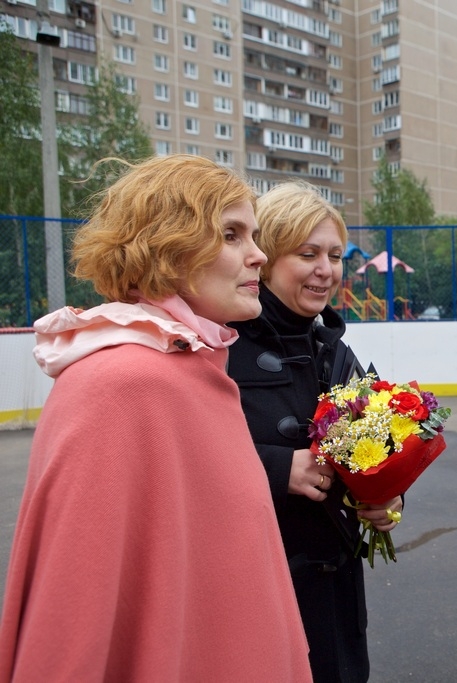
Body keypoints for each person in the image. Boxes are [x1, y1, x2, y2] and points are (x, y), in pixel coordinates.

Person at [0, 155, 312, 681]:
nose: (258, 255)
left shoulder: (192, 366)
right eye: (231, 234)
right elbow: (74, 616)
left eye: (253, 235)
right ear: (169, 246)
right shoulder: (121, 384)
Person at [226, 181, 400, 683]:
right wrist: (280, 468)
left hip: (335, 585)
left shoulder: (334, 347)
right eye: (308, 253)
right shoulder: (221, 346)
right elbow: (186, 457)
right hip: (257, 585)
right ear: (267, 256)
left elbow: (374, 450)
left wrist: (386, 497)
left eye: (335, 254)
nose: (326, 269)